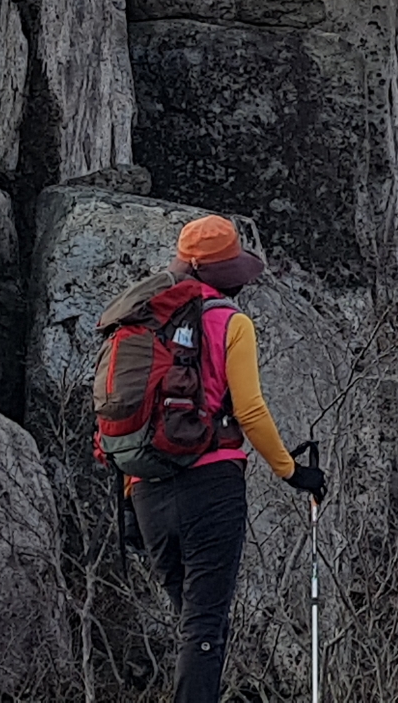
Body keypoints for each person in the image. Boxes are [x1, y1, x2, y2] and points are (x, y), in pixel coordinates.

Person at [111, 214, 324, 703]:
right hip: (210, 487)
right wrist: (293, 472)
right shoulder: (231, 323)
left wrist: (128, 501)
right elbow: (250, 409)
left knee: (194, 624)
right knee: (205, 625)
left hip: (146, 491)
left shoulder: (146, 321)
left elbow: (127, 412)